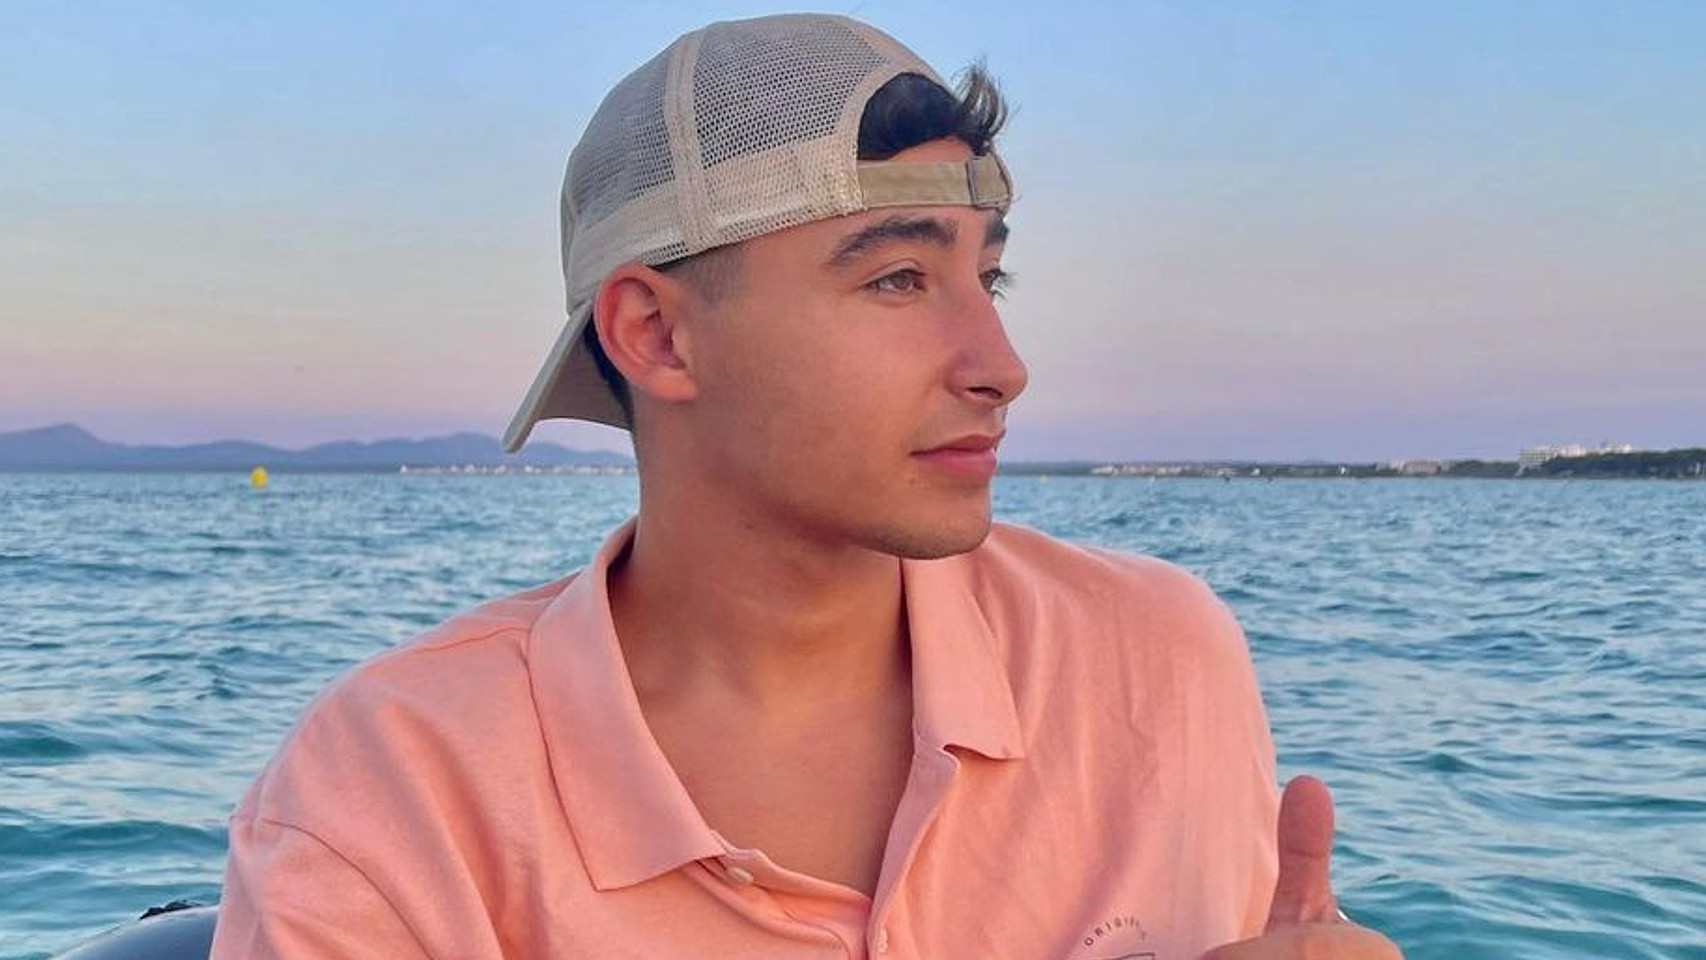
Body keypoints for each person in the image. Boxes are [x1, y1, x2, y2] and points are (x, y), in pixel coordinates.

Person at [211, 13, 1401, 960]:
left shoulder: (1155, 660)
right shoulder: (394, 794)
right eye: (896, 280)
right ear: (656, 335)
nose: (999, 366)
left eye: (989, 279)